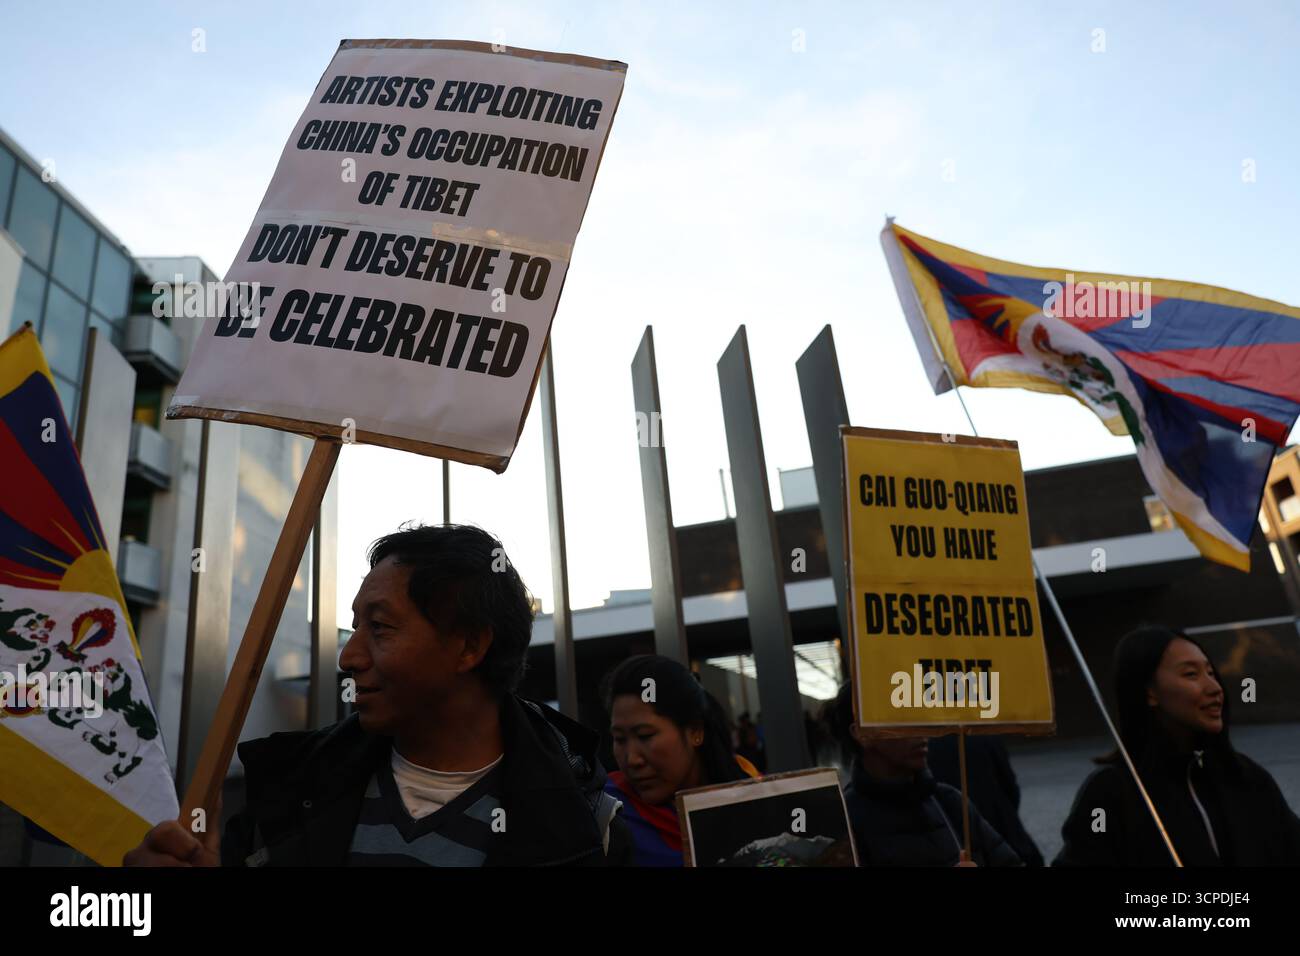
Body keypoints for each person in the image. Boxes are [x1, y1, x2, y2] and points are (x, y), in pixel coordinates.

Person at [125, 524, 630, 867]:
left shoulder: (590, 828)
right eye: (354, 627)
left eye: (381, 627)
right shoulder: (285, 794)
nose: (349, 657)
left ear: (469, 646)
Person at [1054, 625, 1300, 866]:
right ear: (1148, 692)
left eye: (1211, 673)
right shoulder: (1110, 794)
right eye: (1191, 674)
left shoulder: (1248, 778)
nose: (1215, 689)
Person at [830, 684, 1021, 867]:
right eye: (902, 719)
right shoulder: (845, 825)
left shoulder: (949, 802)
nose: (922, 730)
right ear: (863, 734)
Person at [602, 655, 758, 866]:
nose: (632, 759)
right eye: (619, 739)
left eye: (645, 735)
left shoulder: (755, 793)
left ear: (695, 731)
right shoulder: (605, 816)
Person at [929, 734, 1044, 866]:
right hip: (998, 822)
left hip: (953, 830)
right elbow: (1009, 784)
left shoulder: (928, 744)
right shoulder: (986, 735)